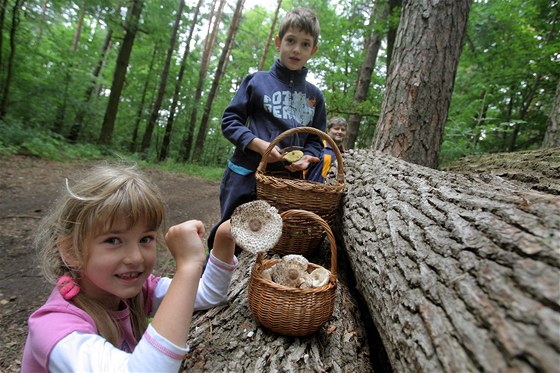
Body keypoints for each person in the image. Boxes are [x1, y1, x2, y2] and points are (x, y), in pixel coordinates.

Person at [21, 164, 238, 372]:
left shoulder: (139, 291)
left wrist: (223, 237)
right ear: (71, 251)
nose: (135, 258)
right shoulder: (54, 328)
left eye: (145, 239)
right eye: (113, 241)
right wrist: (188, 267)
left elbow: (209, 294)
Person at [207, 7, 327, 252]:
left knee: (270, 242)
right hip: (244, 174)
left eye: (305, 44)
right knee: (230, 233)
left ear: (312, 51)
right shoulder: (256, 81)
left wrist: (306, 158)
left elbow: (316, 140)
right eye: (290, 40)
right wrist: (258, 144)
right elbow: (230, 121)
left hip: (284, 184)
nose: (296, 49)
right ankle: (209, 281)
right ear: (278, 42)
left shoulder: (315, 96)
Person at [305, 116, 348, 183]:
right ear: (328, 130)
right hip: (311, 189)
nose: (340, 132)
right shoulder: (317, 148)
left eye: (343, 130)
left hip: (334, 191)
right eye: (336, 129)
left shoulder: (347, 154)